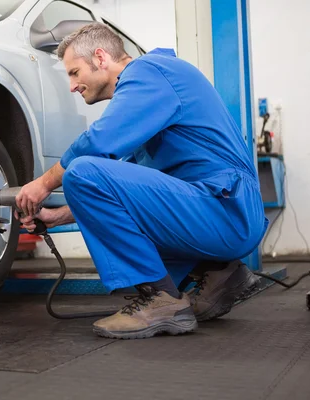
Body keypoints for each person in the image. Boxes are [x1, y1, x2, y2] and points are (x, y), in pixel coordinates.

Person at [15, 22, 268, 340]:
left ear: (101, 57)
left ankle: (160, 299)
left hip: (225, 209)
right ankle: (220, 273)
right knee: (90, 177)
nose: (72, 86)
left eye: (74, 72)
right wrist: (58, 215)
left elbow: (98, 143)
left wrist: (43, 184)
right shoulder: (151, 104)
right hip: (218, 211)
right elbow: (123, 194)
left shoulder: (150, 71)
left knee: (82, 170)